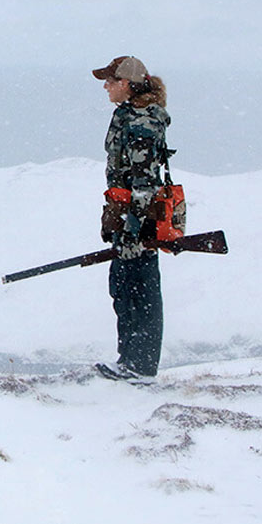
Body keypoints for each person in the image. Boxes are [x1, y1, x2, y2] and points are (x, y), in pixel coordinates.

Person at [91, 56, 170, 382]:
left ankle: (140, 367)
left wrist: (135, 231)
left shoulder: (142, 122)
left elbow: (144, 183)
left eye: (111, 81)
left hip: (138, 221)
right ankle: (129, 362)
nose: (106, 87)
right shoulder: (129, 115)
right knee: (124, 287)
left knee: (140, 290)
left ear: (127, 83)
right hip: (127, 219)